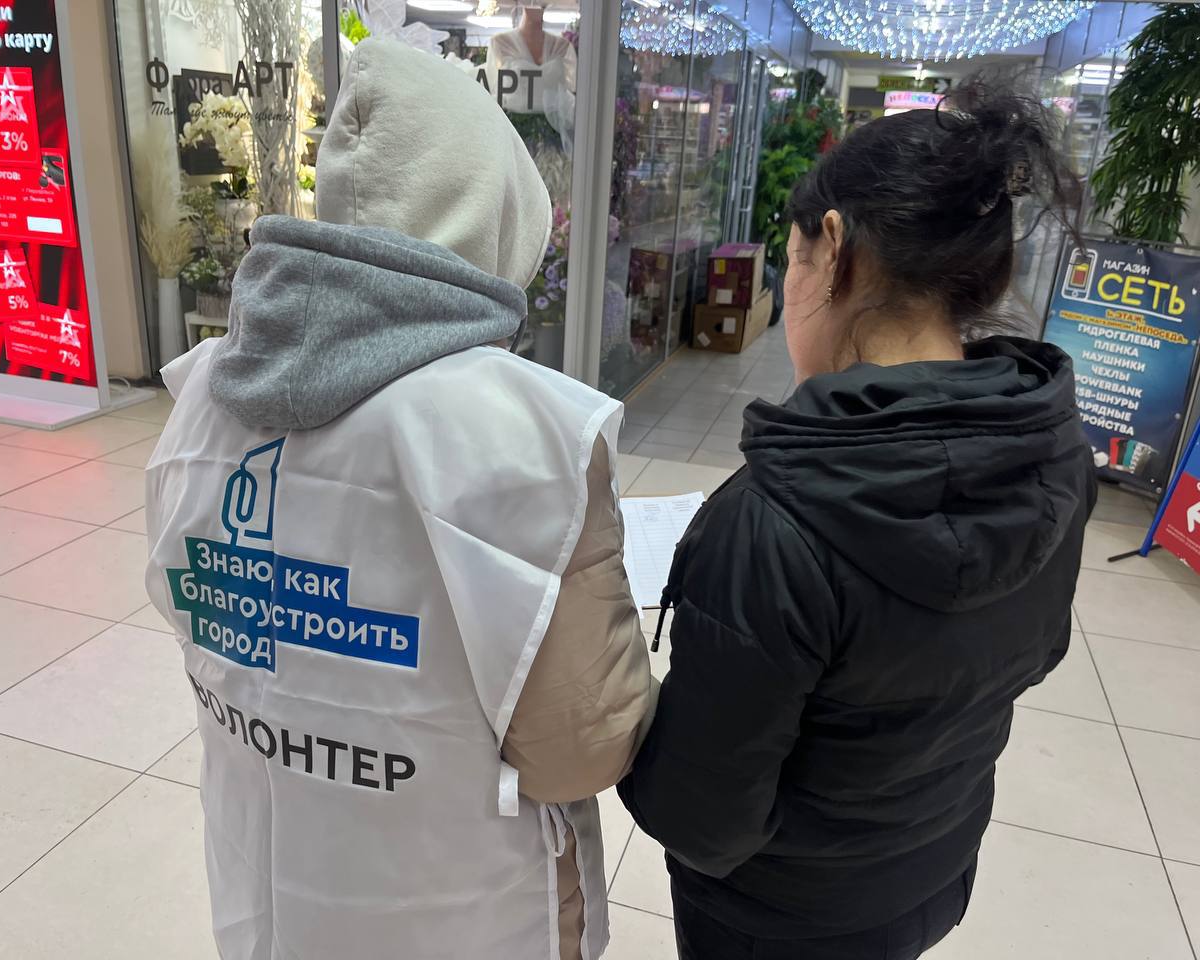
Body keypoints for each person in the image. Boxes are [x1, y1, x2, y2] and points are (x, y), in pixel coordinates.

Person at [145, 38, 652, 960]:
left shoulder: (200, 399)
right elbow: (580, 744)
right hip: (461, 907)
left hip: (277, 880)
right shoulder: (521, 436)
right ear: (500, 218)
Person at [618, 77, 1096, 960]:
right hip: (930, 871)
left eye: (792, 258)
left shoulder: (776, 525)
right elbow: (1035, 652)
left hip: (775, 919)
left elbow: (702, 817)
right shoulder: (1054, 453)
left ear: (833, 249)